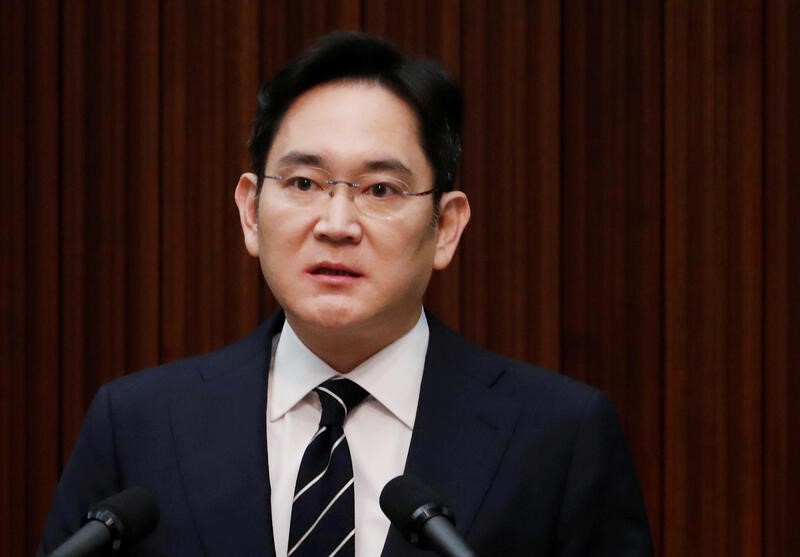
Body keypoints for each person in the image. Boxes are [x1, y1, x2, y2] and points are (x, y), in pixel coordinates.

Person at [38, 31, 653, 556]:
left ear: (447, 227)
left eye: (380, 190)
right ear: (251, 213)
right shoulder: (138, 425)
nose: (336, 223)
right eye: (304, 182)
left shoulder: (558, 437)